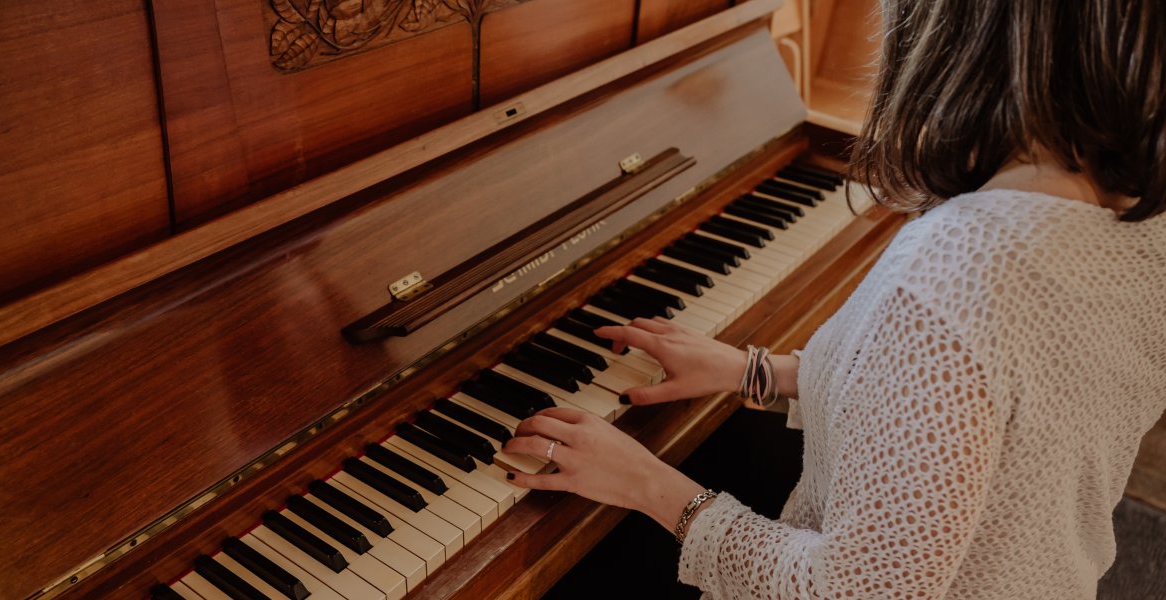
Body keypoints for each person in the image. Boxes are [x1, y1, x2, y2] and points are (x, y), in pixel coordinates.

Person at [500, 0, 1166, 598]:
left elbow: (853, 591)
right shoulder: (1143, 223)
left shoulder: (955, 269)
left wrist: (646, 484)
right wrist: (755, 372)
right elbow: (982, 409)